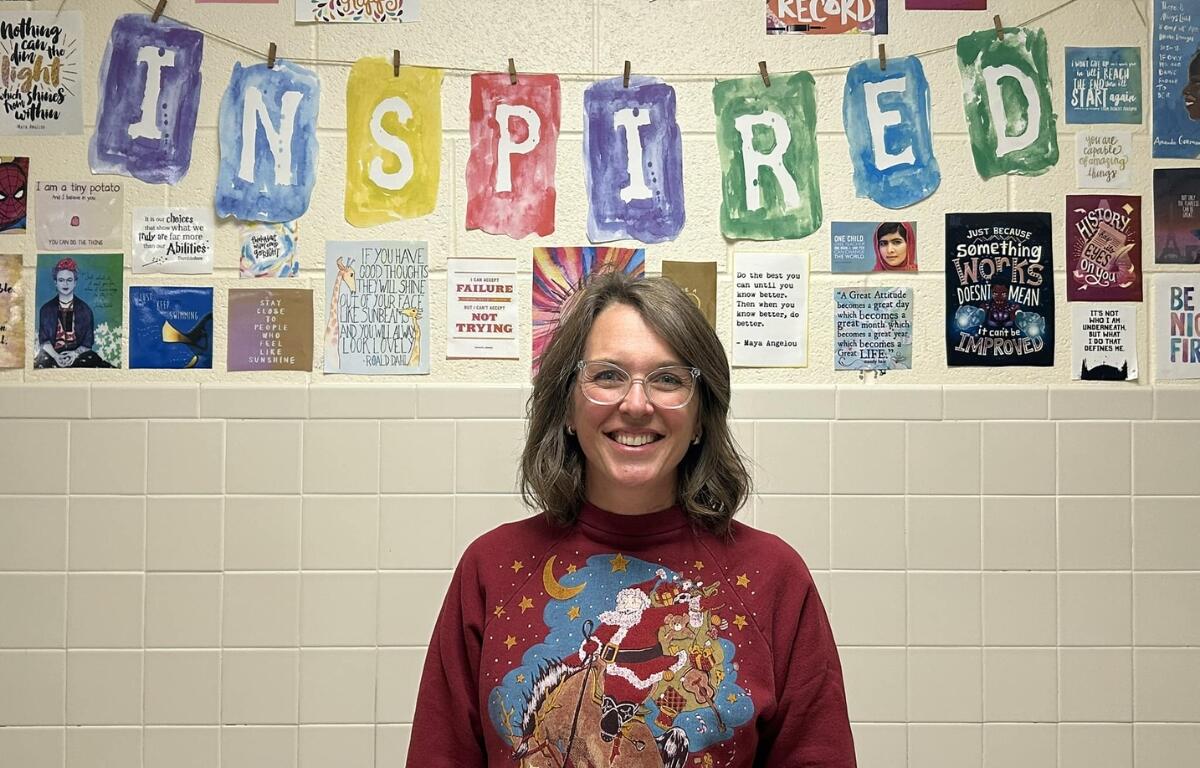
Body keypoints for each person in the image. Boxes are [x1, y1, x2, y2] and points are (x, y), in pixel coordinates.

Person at [407, 271, 855, 767]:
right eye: (607, 376)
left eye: (667, 379)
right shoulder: (490, 569)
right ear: (568, 410)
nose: (636, 404)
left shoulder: (775, 577)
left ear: (702, 416)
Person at [34, 257, 113, 369]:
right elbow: (44, 340)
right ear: (55, 283)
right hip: (52, 354)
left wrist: (74, 354)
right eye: (61, 280)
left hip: (78, 354)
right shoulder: (46, 309)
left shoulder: (85, 310)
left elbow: (87, 343)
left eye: (69, 280)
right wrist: (56, 356)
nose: (65, 284)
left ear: (75, 282)